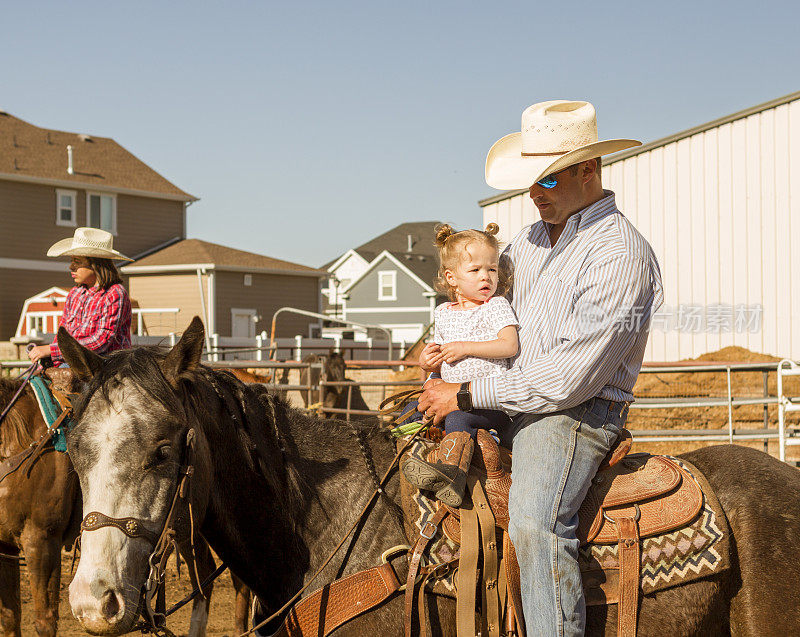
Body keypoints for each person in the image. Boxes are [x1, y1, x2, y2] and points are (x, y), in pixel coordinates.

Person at [417, 100, 663, 636]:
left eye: (547, 179)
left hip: (576, 413)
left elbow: (567, 379)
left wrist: (462, 397)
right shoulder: (526, 244)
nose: (534, 193)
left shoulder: (619, 255)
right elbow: (478, 299)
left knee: (535, 524)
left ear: (588, 171)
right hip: (510, 395)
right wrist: (438, 354)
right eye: (530, 181)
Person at [402, 222, 519, 507]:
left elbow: (509, 345)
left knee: (458, 420)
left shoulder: (495, 306)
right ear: (451, 278)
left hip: (489, 403)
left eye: (492, 269)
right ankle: (401, 452)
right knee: (411, 409)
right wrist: (427, 366)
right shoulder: (443, 313)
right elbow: (439, 360)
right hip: (451, 393)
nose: (487, 277)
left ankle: (452, 476)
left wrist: (466, 347)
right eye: (476, 270)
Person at [27, 227, 134, 368]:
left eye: (77, 261)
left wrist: (51, 351)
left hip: (107, 364)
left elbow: (101, 341)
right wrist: (50, 361)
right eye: (72, 261)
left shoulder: (114, 293)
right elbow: (63, 334)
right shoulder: (75, 294)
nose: (71, 267)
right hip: (74, 361)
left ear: (96, 264)